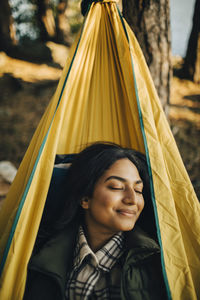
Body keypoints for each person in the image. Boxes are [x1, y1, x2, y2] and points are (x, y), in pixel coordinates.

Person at [23, 142, 168, 300]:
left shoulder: (159, 262)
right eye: (116, 187)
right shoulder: (36, 251)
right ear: (85, 198)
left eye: (138, 190)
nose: (133, 199)